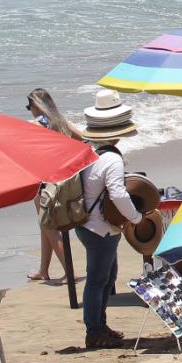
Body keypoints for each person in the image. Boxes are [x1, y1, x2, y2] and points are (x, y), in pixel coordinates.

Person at [75, 92, 142, 349]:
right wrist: (135, 217)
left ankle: (100, 326)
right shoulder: (112, 158)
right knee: (97, 280)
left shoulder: (91, 153)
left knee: (106, 276)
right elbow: (118, 194)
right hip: (100, 227)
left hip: (88, 224)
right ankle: (94, 331)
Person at [25, 88, 74, 282]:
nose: (29, 110)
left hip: (42, 181)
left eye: (29, 106)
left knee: (49, 226)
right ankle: (43, 270)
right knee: (45, 226)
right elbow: (83, 139)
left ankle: (69, 272)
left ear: (36, 105)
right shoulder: (61, 122)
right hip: (61, 178)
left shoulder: (36, 125)